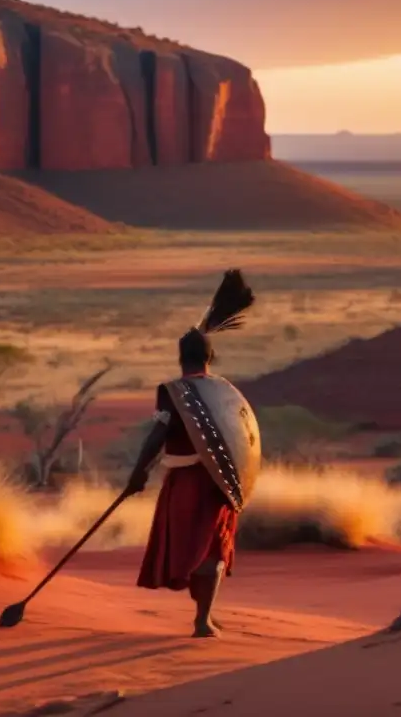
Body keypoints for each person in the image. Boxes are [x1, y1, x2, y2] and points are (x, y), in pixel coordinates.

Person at [123, 270, 257, 638]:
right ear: (210, 357)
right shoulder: (220, 390)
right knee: (212, 547)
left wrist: (140, 472)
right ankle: (203, 619)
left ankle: (204, 619)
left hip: (184, 482)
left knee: (199, 547)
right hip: (215, 483)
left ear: (181, 358)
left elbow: (158, 434)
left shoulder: (174, 391)